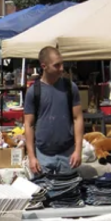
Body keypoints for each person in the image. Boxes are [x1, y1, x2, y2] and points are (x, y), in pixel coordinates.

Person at [23, 46, 83, 175]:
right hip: (43, 155)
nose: (61, 69)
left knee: (68, 193)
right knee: (44, 193)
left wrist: (78, 150)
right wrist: (32, 157)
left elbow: (78, 118)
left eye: (62, 64)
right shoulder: (34, 91)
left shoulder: (70, 87)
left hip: (68, 154)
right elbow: (28, 124)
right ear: (44, 66)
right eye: (57, 65)